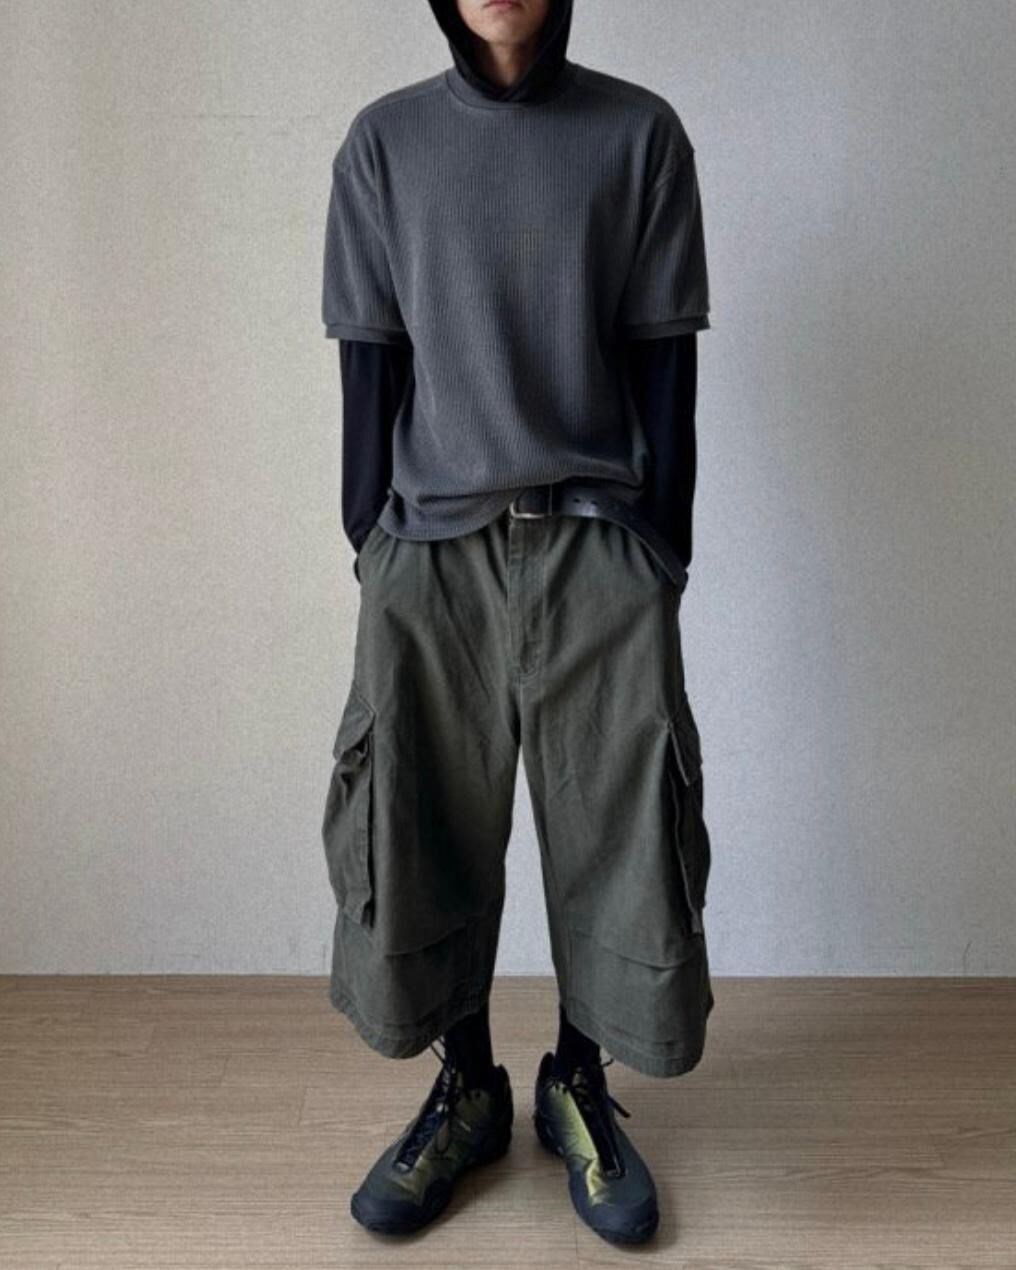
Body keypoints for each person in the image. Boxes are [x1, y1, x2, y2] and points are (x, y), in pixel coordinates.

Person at [319, 0, 715, 1246]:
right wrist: (370, 543)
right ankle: (468, 1089)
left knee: (620, 829)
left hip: (599, 538)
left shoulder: (638, 137)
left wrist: (660, 550)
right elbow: (369, 361)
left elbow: (664, 363)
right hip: (428, 550)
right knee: (421, 817)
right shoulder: (382, 145)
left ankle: (577, 1083)